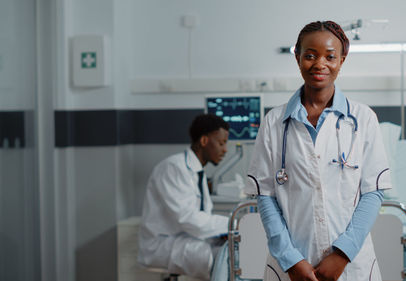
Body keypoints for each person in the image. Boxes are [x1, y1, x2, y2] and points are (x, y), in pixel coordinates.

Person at [245, 21, 392, 281]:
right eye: (310, 55)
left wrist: (342, 255)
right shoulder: (273, 122)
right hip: (291, 267)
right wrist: (291, 260)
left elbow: (373, 193)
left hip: (350, 267)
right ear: (297, 57)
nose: (319, 64)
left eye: (330, 56)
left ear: (342, 60)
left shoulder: (363, 119)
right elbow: (266, 197)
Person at [137, 114, 230, 280]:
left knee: (234, 249)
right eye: (221, 143)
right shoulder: (173, 168)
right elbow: (189, 219)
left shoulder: (196, 171)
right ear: (204, 141)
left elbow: (200, 221)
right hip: (162, 246)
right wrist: (232, 224)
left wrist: (226, 230)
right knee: (230, 261)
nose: (225, 150)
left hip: (186, 238)